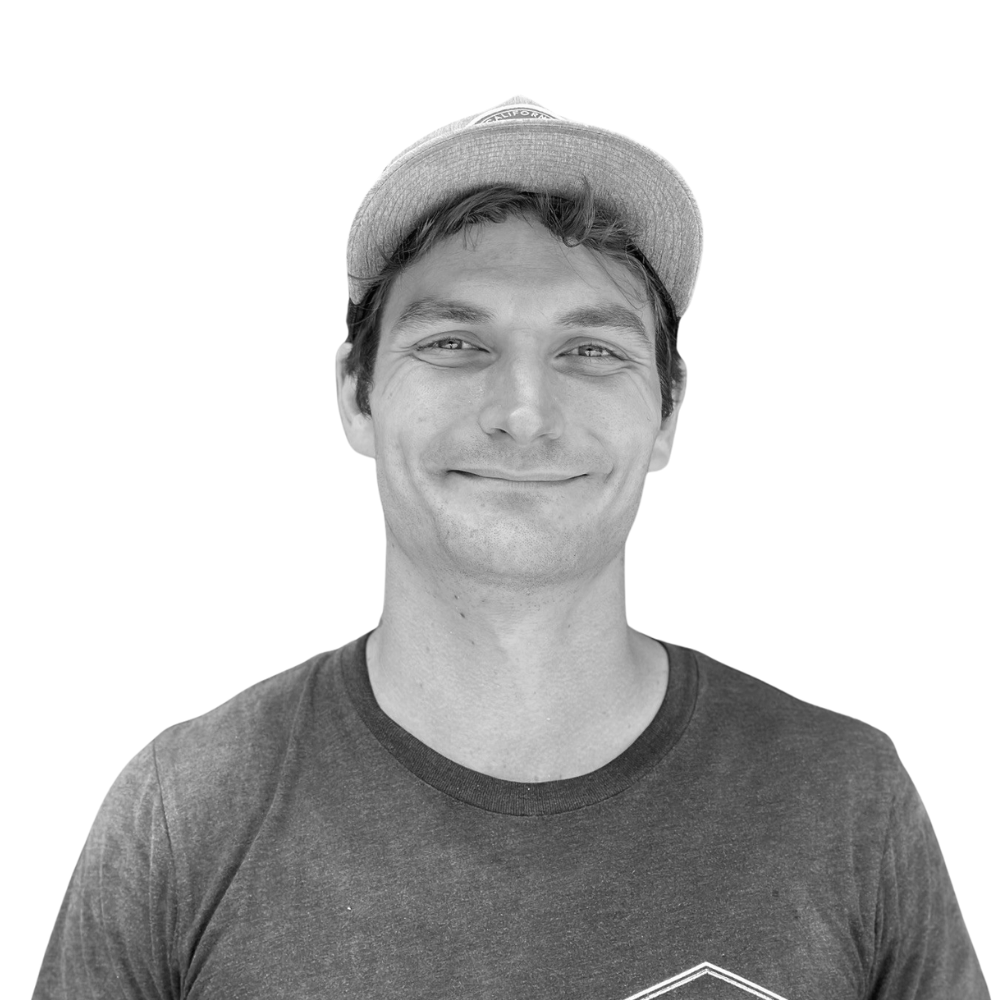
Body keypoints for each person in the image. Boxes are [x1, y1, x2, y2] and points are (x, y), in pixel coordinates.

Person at [34, 96, 988, 1000]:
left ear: (666, 414)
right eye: (456, 343)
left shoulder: (844, 801)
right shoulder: (184, 816)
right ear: (357, 394)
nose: (525, 413)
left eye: (591, 351)